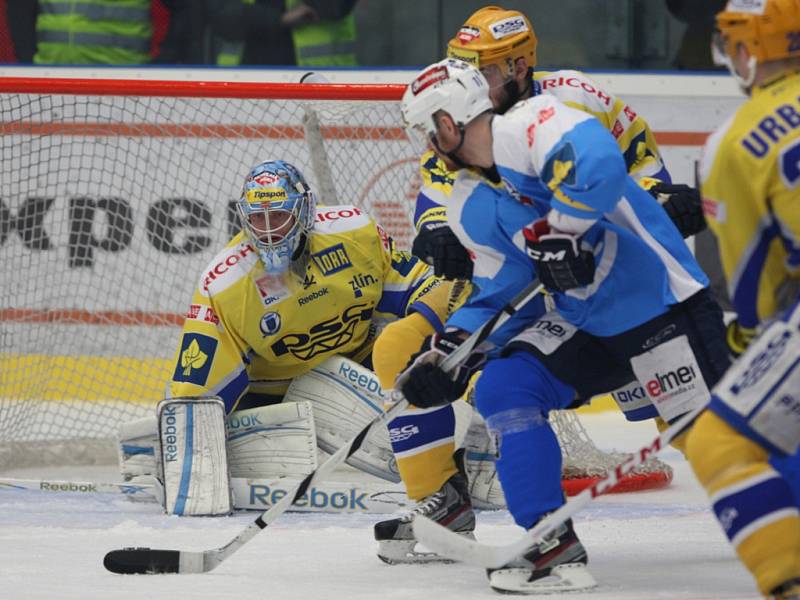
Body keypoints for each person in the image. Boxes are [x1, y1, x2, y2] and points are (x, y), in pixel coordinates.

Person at [370, 5, 707, 567]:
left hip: (603, 277)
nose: (471, 78)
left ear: (521, 64)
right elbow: (444, 204)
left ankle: (755, 485)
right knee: (405, 350)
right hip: (504, 271)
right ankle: (443, 500)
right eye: (464, 66)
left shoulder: (577, 102)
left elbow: (640, 169)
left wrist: (657, 203)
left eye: (485, 68)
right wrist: (440, 239)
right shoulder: (456, 110)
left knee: (683, 396)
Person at [136, 159, 452, 515]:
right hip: (274, 398)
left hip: (356, 369)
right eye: (258, 218)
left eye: (278, 217)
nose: (268, 231)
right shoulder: (223, 284)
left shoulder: (356, 233)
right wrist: (178, 450)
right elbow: (196, 393)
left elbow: (424, 290)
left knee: (427, 355)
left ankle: (456, 455)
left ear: (303, 212)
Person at [685, 1, 800, 598]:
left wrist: (755, 331)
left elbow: (753, 271)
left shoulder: (737, 137)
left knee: (719, 441)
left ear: (747, 50)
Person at [5, 0, 200, 64]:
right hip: (50, 80)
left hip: (126, 84)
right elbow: (19, 9)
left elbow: (188, 7)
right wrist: (29, 63)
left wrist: (167, 59)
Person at [208, 0, 358, 66]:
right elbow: (219, 13)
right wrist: (279, 19)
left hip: (319, 82)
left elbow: (334, 6)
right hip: (239, 82)